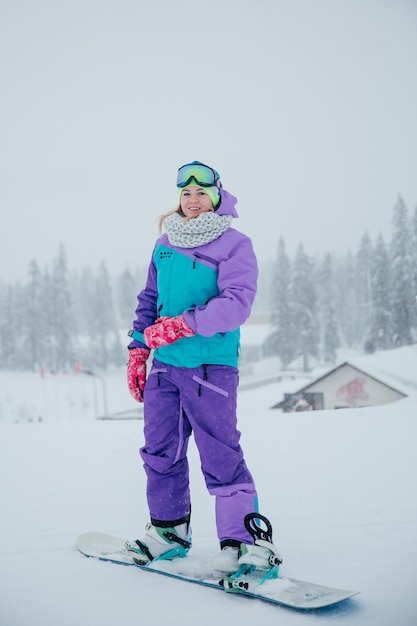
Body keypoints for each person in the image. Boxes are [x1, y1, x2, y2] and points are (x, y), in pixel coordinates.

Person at [125, 160, 280, 574]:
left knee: (219, 452)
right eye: (186, 194)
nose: (193, 201)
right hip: (164, 370)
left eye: (201, 193)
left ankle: (243, 542)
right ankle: (169, 531)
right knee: (160, 451)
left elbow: (236, 305)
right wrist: (139, 349)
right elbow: (148, 300)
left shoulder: (234, 244)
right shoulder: (165, 243)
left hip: (209, 369)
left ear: (216, 196)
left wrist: (182, 325)